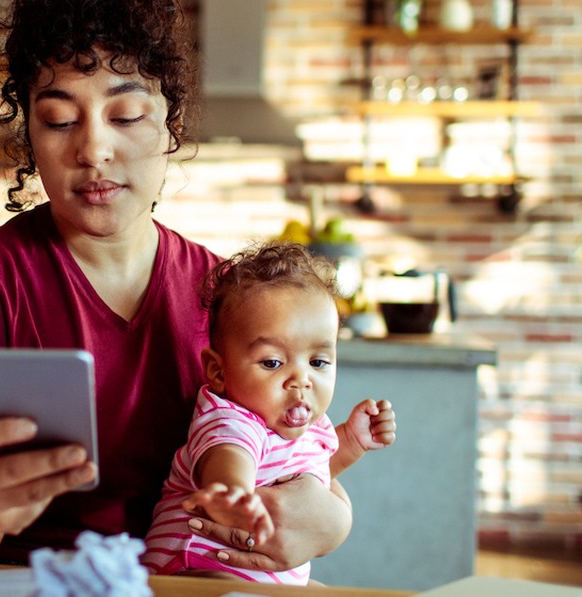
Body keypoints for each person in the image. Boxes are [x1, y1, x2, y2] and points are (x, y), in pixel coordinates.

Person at [0, 0, 355, 572]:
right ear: (29, 131)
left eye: (127, 115)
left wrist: (331, 518)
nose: (93, 150)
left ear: (172, 126)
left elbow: (296, 458)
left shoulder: (228, 299)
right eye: (58, 120)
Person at [141, 243, 396, 584]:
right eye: (273, 362)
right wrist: (233, 493)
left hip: (257, 579)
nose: (301, 380)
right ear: (218, 371)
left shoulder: (310, 428)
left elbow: (309, 474)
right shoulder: (230, 418)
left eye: (318, 362)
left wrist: (351, 441)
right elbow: (228, 457)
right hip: (193, 572)